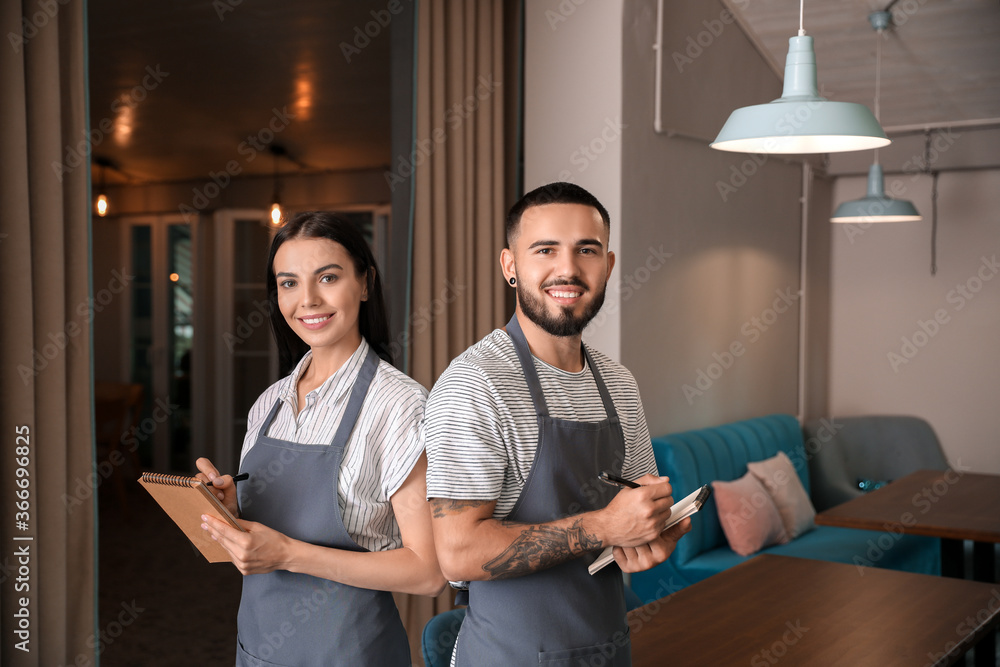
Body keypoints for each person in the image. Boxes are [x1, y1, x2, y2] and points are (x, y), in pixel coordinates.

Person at [424, 182, 691, 666]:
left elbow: (628, 513)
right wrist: (604, 525)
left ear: (607, 266)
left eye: (586, 251)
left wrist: (647, 534)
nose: (567, 269)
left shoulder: (618, 382)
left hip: (607, 649)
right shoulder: (475, 385)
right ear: (510, 266)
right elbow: (458, 552)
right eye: (545, 250)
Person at [196, 211, 445, 666]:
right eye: (288, 283)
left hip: (350, 653)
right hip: (259, 651)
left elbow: (428, 572)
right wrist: (230, 511)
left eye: (327, 277)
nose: (307, 300)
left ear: (365, 283)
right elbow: (255, 546)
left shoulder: (399, 405)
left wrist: (289, 554)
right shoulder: (268, 404)